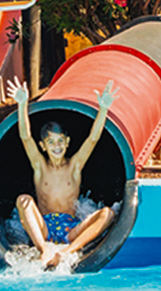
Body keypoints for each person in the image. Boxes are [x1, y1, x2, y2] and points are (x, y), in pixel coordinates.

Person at [10, 78, 117, 269]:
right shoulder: (40, 167)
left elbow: (93, 139)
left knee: (107, 214)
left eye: (60, 141)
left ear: (67, 142)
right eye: (50, 142)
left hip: (70, 229)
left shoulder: (74, 167)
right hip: (43, 227)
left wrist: (103, 110)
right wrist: (22, 104)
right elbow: (25, 137)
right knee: (23, 200)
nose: (56, 146)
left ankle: (66, 252)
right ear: (42, 146)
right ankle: (44, 249)